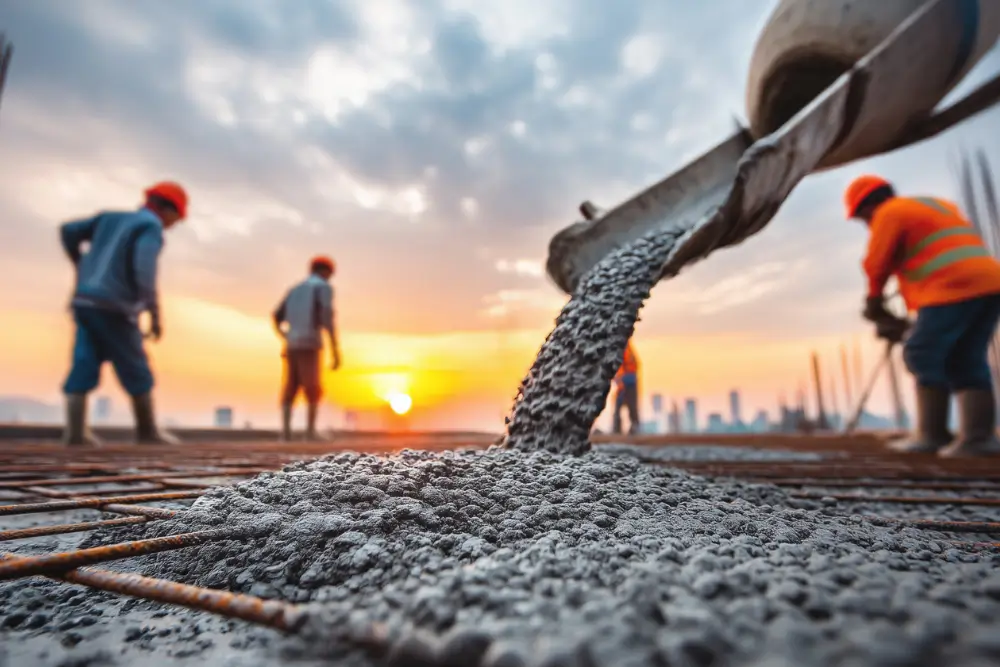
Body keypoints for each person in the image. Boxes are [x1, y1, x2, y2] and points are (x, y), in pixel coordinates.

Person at [846, 174, 1000, 457]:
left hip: (951, 286)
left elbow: (876, 262)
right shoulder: (935, 205)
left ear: (867, 206)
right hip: (990, 284)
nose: (866, 224)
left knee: (920, 352)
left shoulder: (888, 213)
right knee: (966, 356)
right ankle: (978, 438)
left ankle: (932, 435)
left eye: (861, 218)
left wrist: (874, 301)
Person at [59, 181, 189, 447]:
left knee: (84, 361)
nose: (174, 225)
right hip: (115, 307)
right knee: (136, 366)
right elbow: (145, 272)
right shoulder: (149, 227)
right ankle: (147, 431)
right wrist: (154, 313)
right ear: (168, 210)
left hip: (85, 303)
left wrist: (79, 264)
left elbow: (68, 231)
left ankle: (74, 434)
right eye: (176, 219)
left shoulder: (109, 219)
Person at [272, 256, 341, 441]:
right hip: (310, 342)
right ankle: (310, 432)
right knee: (313, 387)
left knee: (291, 386)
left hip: (292, 343)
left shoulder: (295, 289)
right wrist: (335, 348)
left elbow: (276, 317)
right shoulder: (322, 288)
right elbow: (327, 318)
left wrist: (286, 335)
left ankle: (286, 433)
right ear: (325, 271)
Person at [612, 340, 640, 435]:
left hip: (626, 382)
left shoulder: (624, 348)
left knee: (627, 407)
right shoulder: (625, 347)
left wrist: (619, 380)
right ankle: (618, 429)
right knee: (622, 407)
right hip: (626, 381)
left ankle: (621, 429)